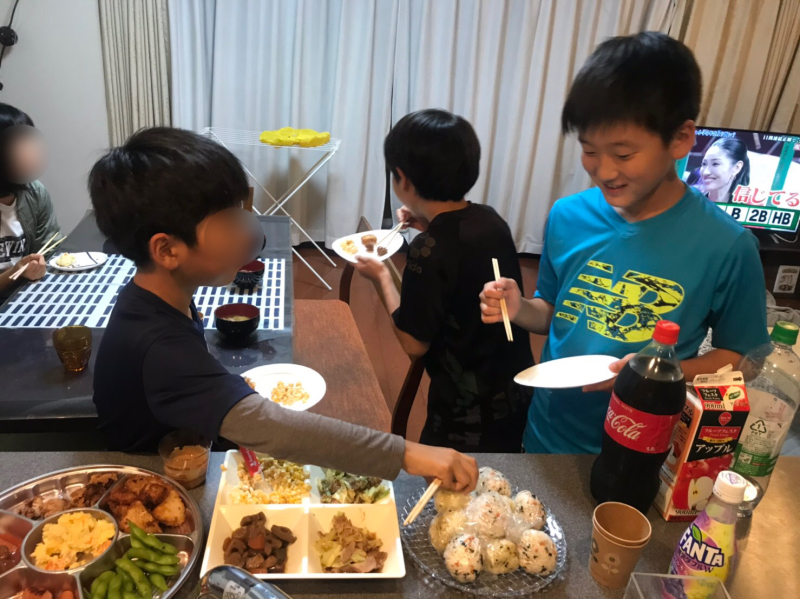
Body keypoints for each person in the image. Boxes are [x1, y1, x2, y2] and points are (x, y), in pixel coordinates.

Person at [89, 126, 478, 492]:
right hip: (152, 482)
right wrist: (408, 453)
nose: (247, 230)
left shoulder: (155, 300)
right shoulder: (158, 348)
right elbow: (271, 427)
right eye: (228, 221)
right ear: (168, 250)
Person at [480, 32, 769, 454]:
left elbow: (743, 358)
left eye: (624, 153)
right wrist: (519, 308)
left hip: (641, 447)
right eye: (589, 150)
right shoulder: (567, 215)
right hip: (546, 430)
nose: (603, 170)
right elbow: (554, 312)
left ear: (681, 139)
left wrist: (652, 372)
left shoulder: (727, 245)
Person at [355, 109, 534, 453]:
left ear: (402, 179)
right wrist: (427, 224)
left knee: (449, 484)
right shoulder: (491, 219)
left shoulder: (429, 249)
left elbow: (413, 343)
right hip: (513, 389)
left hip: (464, 407)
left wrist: (380, 276)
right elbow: (461, 252)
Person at [0, 103, 59, 301]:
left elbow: (49, 250)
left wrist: (39, 266)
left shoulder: (35, 192)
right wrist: (14, 274)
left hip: (25, 299)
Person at [700, 137, 750, 204]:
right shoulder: (692, 204)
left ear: (737, 168)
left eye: (715, 164)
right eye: (704, 164)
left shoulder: (744, 209)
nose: (706, 172)